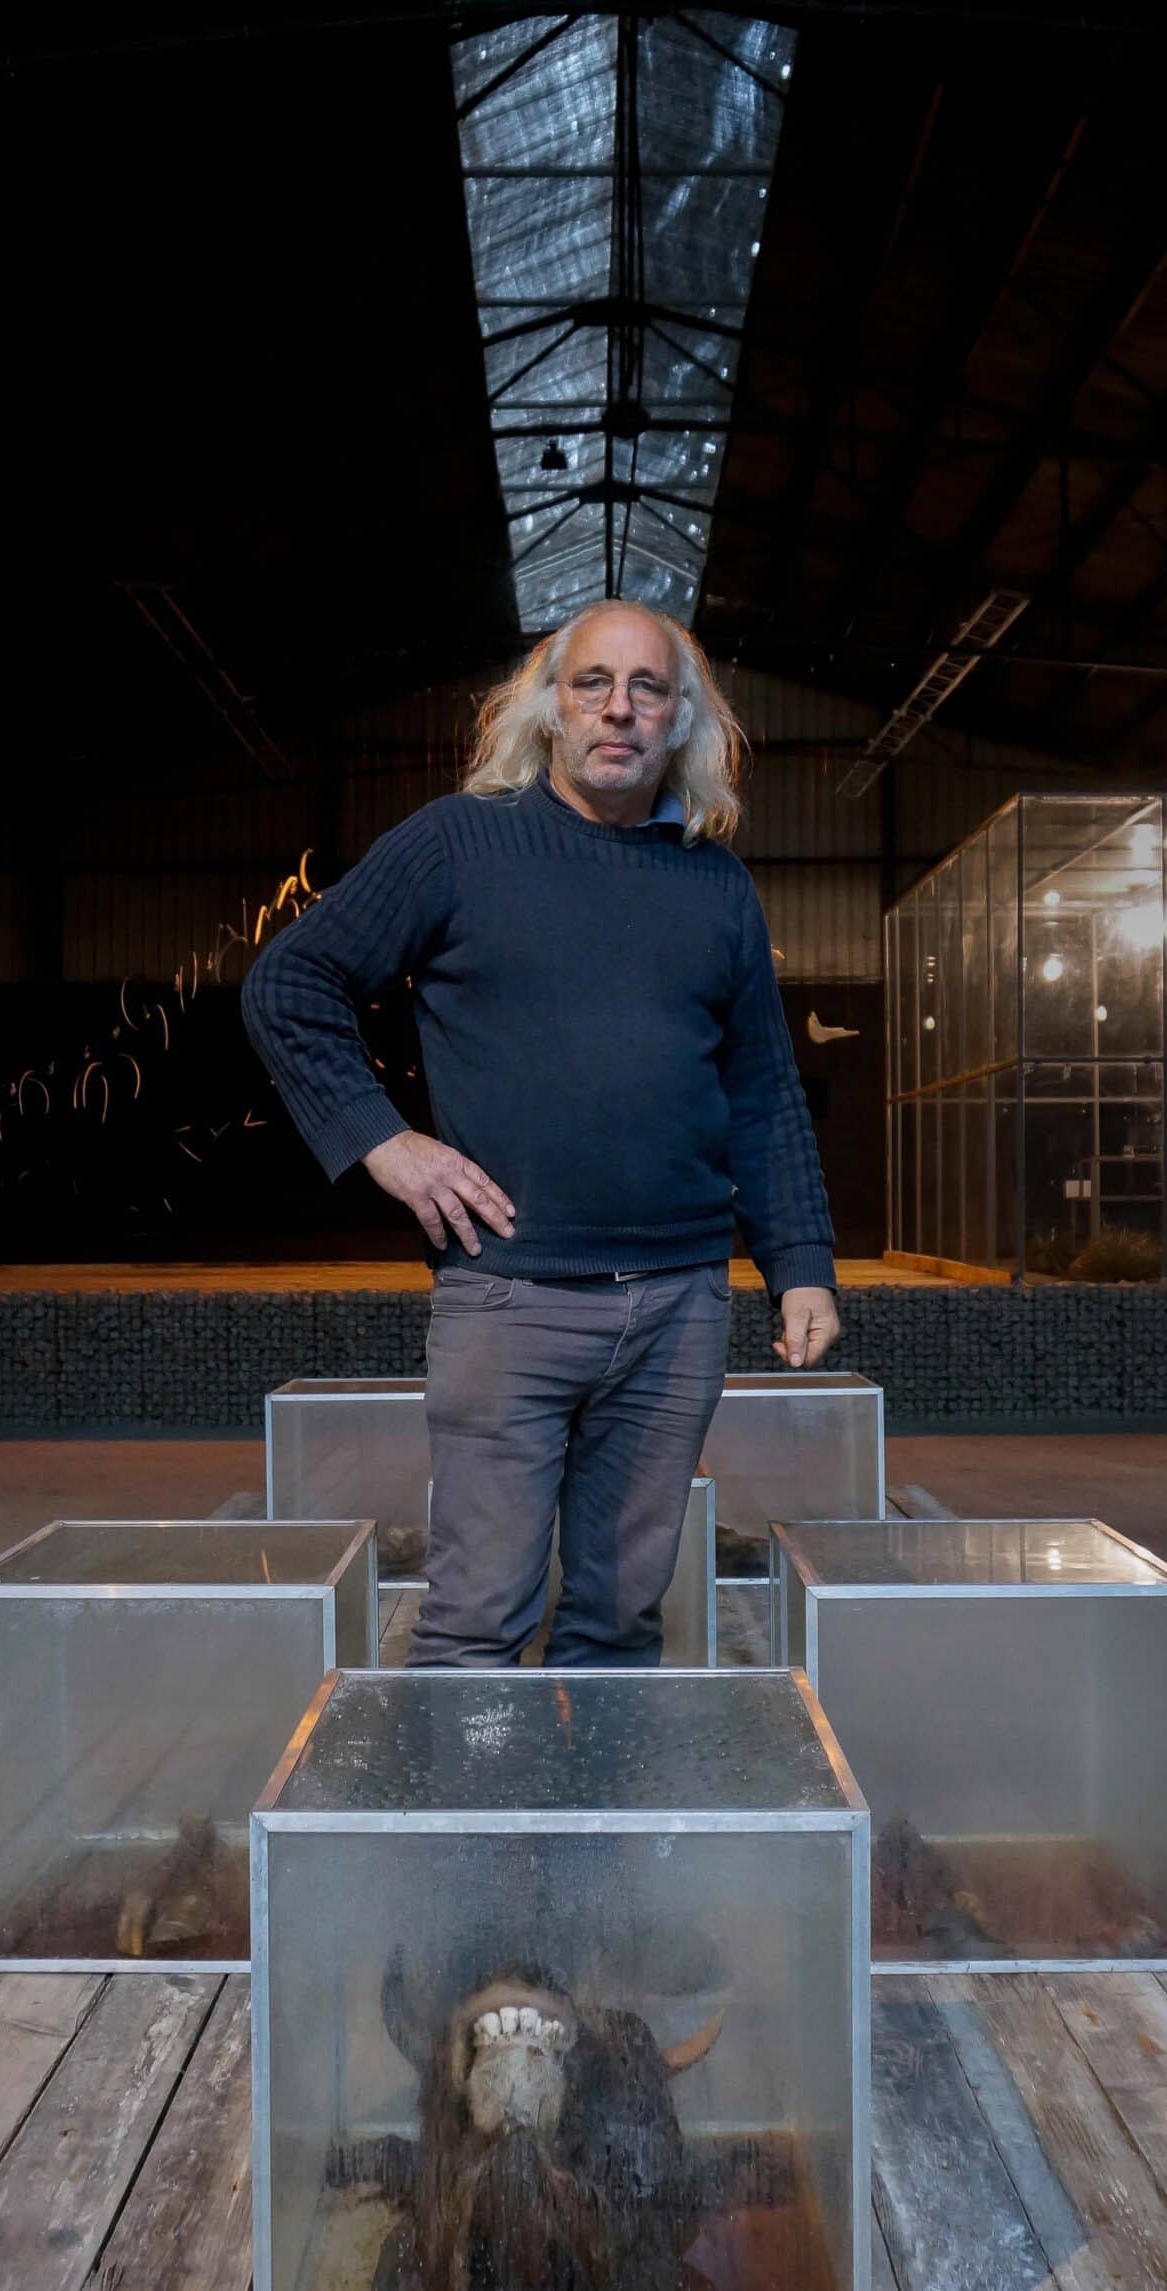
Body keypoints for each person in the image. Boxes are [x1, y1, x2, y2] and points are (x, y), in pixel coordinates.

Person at [241, 601, 840, 1667]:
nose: (619, 707)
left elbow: (762, 1087)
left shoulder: (716, 884)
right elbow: (292, 980)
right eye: (592, 683)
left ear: (680, 719)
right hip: (509, 1294)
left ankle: (590, 1836)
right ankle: (467, 1841)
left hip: (680, 1308)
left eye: (646, 687)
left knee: (617, 1623)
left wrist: (801, 1264)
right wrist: (386, 1142)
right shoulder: (460, 844)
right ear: (551, 709)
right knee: (475, 1623)